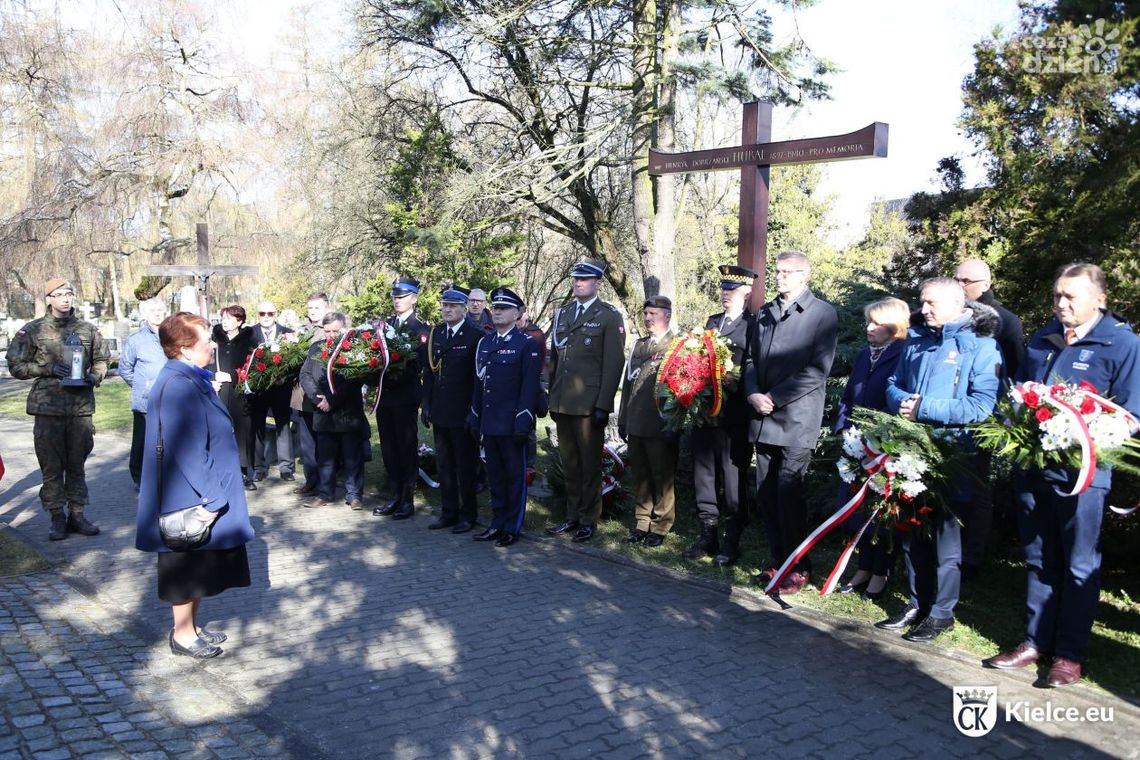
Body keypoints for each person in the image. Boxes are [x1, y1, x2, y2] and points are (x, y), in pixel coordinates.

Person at [984, 263, 1140, 687]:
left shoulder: (1122, 344)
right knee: (1037, 559)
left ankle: (1069, 654)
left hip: (1082, 477)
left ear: (1100, 300)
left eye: (1071, 296)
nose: (1061, 303)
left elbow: (1131, 415)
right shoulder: (1043, 338)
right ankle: (1035, 640)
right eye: (1057, 295)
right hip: (1033, 469)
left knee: (1078, 564)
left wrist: (1085, 432)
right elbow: (1020, 394)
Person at [880, 278, 1001, 642]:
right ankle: (918, 603)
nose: (924, 309)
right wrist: (899, 401)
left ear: (955, 304)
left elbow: (982, 407)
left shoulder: (982, 346)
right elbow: (893, 382)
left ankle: (942, 612)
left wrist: (923, 407)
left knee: (946, 540)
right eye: (923, 302)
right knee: (911, 532)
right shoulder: (917, 340)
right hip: (911, 452)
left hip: (953, 457)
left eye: (931, 303)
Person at [135, 312, 255, 659]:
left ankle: (193, 626)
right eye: (206, 341)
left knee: (200, 561)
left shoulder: (189, 377)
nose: (213, 344)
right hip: (190, 494)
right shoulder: (177, 384)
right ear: (186, 349)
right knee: (185, 565)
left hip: (198, 490)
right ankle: (182, 634)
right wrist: (213, 497)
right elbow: (185, 448)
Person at [738, 251, 838, 593]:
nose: (779, 277)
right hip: (763, 418)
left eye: (786, 272)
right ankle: (778, 560)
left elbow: (817, 370)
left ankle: (799, 566)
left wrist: (774, 398)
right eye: (777, 271)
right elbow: (750, 359)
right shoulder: (765, 312)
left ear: (803, 276)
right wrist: (753, 393)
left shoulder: (821, 314)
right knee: (767, 494)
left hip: (795, 420)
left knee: (789, 493)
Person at [5, 278, 109, 541]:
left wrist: (94, 377)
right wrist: (46, 369)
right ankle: (57, 517)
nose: (66, 299)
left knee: (77, 464)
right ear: (49, 298)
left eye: (69, 294)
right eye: (59, 294)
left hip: (80, 408)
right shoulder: (32, 330)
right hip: (47, 408)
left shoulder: (87, 330)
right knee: (51, 466)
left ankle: (77, 514)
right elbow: (16, 366)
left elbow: (102, 360)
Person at [954, 259, 1026, 577]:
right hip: (950, 408)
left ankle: (973, 556)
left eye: (964, 280)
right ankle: (949, 547)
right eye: (955, 279)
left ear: (984, 283)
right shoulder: (954, 315)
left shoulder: (1005, 322)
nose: (958, 285)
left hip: (982, 413)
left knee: (976, 485)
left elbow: (1015, 370)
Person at [834, 297, 909, 600]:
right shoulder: (866, 354)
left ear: (895, 325)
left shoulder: (904, 353)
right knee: (856, 509)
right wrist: (843, 429)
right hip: (856, 445)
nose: (869, 328)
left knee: (880, 513)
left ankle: (881, 572)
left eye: (877, 323)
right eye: (869, 321)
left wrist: (883, 442)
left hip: (885, 447)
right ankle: (863, 567)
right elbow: (849, 395)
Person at [544, 260, 625, 543]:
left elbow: (614, 364)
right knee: (569, 463)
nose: (578, 283)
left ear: (598, 283)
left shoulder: (608, 316)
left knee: (589, 465)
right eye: (576, 279)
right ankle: (572, 515)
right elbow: (555, 360)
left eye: (585, 279)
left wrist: (603, 405)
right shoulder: (563, 314)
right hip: (563, 401)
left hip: (589, 405)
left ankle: (589, 519)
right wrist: (552, 396)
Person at [687, 265, 757, 563]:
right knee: (704, 475)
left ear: (747, 292)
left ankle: (732, 541)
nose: (726, 293)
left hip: (734, 417)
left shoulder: (754, 325)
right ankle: (707, 536)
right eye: (724, 288)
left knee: (733, 479)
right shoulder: (712, 322)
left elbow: (754, 368)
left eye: (732, 288)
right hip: (705, 414)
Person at [468, 287, 542, 547]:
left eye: (504, 309)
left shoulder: (526, 344)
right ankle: (497, 523)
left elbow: (529, 387)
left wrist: (523, 419)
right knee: (496, 478)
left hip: (512, 423)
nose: (497, 312)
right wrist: (474, 415)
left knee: (514, 477)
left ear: (516, 313)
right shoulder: (486, 342)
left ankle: (512, 526)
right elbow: (479, 384)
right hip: (490, 422)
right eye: (496, 308)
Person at [422, 285, 483, 533]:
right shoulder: (437, 334)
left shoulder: (474, 335)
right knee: (444, 465)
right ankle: (449, 512)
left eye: (453, 306)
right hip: (440, 411)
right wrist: (426, 404)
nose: (447, 310)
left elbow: (478, 380)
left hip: (463, 413)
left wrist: (474, 411)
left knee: (465, 467)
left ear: (464, 309)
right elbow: (429, 372)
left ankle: (468, 515)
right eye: (445, 305)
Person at [617, 296, 677, 547]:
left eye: (653, 313)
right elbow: (628, 385)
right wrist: (623, 419)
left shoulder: (676, 345)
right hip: (637, 420)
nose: (648, 318)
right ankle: (642, 521)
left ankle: (661, 525)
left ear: (666, 315)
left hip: (660, 422)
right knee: (640, 474)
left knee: (661, 475)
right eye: (646, 313)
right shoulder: (639, 346)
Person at [372, 276, 430, 520]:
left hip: (405, 396)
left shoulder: (421, 329)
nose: (397, 300)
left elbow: (420, 365)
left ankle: (407, 499)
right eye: (395, 296)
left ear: (414, 299)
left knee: (406, 448)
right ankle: (394, 495)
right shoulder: (386, 325)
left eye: (402, 296)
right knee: (389, 448)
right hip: (386, 397)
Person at [299, 312, 368, 510]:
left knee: (352, 457)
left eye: (335, 331)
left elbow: (354, 380)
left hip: (347, 412)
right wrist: (317, 398)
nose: (330, 335)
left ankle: (354, 495)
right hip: (322, 412)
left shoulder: (353, 349)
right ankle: (325, 494)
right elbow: (305, 375)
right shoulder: (315, 348)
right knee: (325, 458)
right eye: (327, 331)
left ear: (344, 328)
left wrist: (332, 401)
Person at [119, 298, 169, 491]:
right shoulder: (136, 339)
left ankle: (166, 476)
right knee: (142, 441)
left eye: (160, 310)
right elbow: (125, 369)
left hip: (171, 398)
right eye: (153, 311)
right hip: (145, 402)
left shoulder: (173, 336)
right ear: (145, 315)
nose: (157, 314)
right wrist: (144, 386)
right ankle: (139, 477)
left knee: (168, 440)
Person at [248, 301, 296, 482]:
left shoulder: (288, 334)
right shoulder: (250, 334)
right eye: (262, 313)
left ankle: (286, 468)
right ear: (257, 315)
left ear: (276, 314)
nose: (266, 317)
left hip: (281, 389)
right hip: (258, 391)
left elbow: (295, 362)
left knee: (283, 426)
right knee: (257, 426)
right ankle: (259, 467)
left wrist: (286, 377)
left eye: (270, 313)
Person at [211, 305, 257, 490]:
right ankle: (219, 472)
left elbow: (253, 368)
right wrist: (211, 379)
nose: (225, 321)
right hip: (218, 391)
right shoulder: (214, 340)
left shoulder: (249, 342)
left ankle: (243, 472)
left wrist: (232, 375)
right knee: (219, 430)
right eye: (223, 318)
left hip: (239, 394)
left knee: (241, 433)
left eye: (229, 318)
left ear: (239, 321)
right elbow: (204, 363)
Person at [291, 292, 331, 497]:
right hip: (301, 393)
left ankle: (326, 482)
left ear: (326, 308)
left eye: (317, 308)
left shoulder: (329, 329)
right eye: (310, 308)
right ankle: (311, 479)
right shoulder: (300, 330)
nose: (313, 312)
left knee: (323, 440)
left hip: (321, 392)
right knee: (306, 441)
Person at [515, 304, 548, 478]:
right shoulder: (511, 332)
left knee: (530, 425)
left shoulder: (535, 334)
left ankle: (530, 464)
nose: (517, 321)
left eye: (520, 317)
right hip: (513, 385)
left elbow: (540, 360)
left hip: (532, 382)